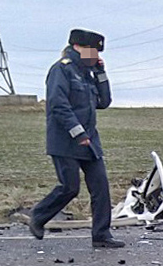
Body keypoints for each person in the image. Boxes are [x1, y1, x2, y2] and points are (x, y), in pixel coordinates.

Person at [30, 28, 124, 248]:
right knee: (70, 187)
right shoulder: (61, 71)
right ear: (77, 47)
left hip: (90, 141)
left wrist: (102, 74)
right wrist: (77, 132)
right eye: (92, 51)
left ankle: (101, 235)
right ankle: (38, 216)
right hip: (65, 141)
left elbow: (104, 102)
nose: (96, 56)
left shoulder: (87, 74)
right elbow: (57, 104)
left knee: (100, 187)